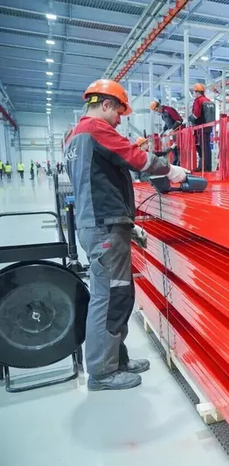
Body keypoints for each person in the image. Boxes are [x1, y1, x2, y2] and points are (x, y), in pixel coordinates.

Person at [65, 78, 188, 391]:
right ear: (105, 104)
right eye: (119, 112)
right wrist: (170, 169)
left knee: (119, 293)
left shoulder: (73, 137)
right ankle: (102, 372)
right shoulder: (95, 129)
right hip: (104, 225)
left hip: (100, 223)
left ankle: (116, 359)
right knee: (109, 296)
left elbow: (98, 179)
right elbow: (137, 158)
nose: (120, 120)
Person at [188, 83, 213, 171]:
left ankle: (203, 167)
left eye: (194, 92)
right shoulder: (208, 100)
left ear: (197, 92)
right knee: (206, 147)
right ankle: (206, 167)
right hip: (208, 127)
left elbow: (196, 115)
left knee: (201, 147)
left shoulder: (198, 101)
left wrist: (189, 119)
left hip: (200, 128)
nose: (193, 94)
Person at [149, 101, 182, 165]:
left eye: (157, 109)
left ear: (159, 106)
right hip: (173, 133)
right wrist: (163, 131)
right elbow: (167, 124)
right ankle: (176, 163)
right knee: (174, 148)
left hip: (179, 132)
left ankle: (179, 163)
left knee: (179, 149)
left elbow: (179, 120)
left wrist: (172, 129)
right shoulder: (163, 114)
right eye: (155, 111)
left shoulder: (169, 110)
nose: (157, 111)